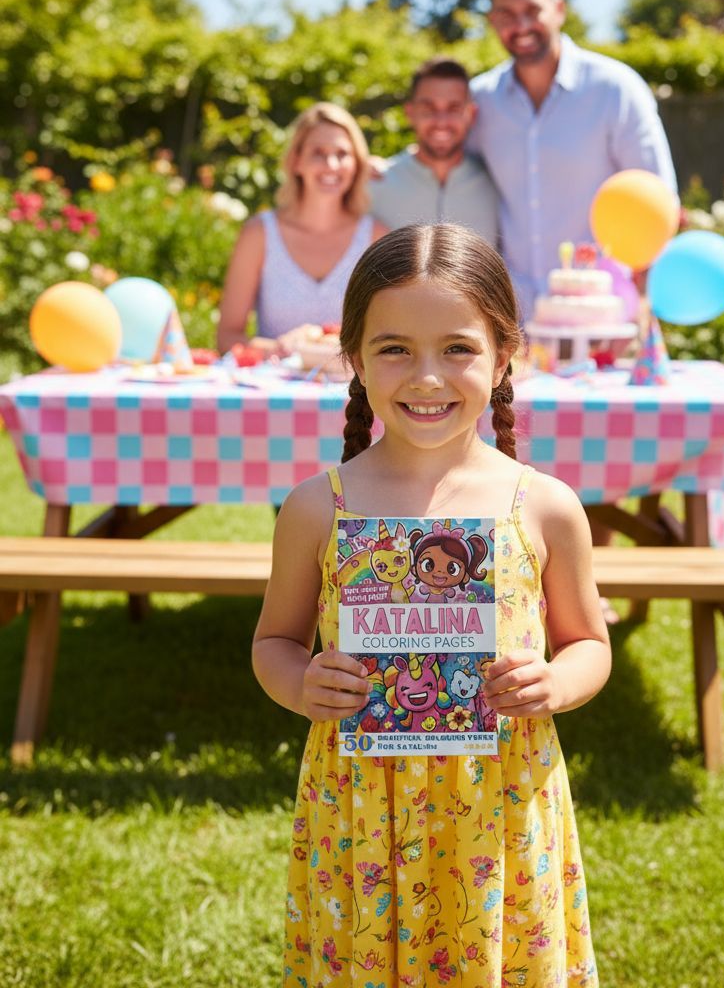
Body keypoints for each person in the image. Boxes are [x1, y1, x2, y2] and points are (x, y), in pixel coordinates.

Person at [252, 223, 610, 986]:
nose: (426, 377)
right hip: (360, 812)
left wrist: (559, 681)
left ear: (504, 354)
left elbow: (590, 643)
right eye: (393, 349)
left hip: (500, 805)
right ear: (353, 357)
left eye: (457, 348)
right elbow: (274, 642)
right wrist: (300, 682)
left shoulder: (544, 506)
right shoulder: (319, 508)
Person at [470, 0, 678, 319]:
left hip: (603, 317)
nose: (520, 25)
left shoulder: (616, 90)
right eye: (505, 15)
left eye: (532, 10)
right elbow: (441, 160)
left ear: (559, 9)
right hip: (511, 320)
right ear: (492, 21)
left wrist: (640, 310)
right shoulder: (481, 100)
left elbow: (657, 203)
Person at [217, 103, 386, 354]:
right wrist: (279, 349)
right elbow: (227, 337)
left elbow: (391, 336)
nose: (331, 164)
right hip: (275, 389)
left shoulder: (377, 237)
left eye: (342, 154)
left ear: (357, 164)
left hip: (354, 390)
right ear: (296, 161)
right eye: (318, 152)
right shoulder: (259, 234)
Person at [369, 56, 500, 246]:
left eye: (453, 108)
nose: (441, 122)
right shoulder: (375, 183)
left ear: (471, 114)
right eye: (428, 108)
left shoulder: (496, 183)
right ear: (410, 113)